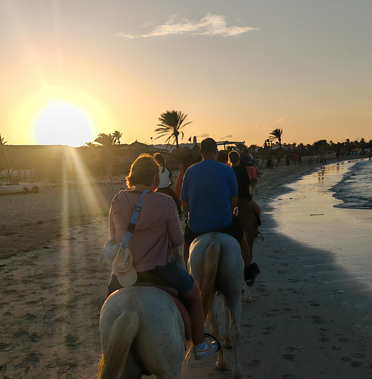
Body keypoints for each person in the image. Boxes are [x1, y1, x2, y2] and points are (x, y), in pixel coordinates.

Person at [107, 154, 219, 359]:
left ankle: (108, 348)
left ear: (132, 177)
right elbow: (177, 240)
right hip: (161, 269)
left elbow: (113, 238)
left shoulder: (118, 199)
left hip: (127, 272)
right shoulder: (166, 202)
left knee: (109, 303)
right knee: (194, 295)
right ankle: (201, 344)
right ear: (155, 179)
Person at [180, 138, 259, 286]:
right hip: (224, 223)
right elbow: (234, 202)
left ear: (200, 151)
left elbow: (185, 205)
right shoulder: (227, 170)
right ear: (216, 151)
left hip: (197, 225)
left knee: (186, 243)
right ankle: (248, 270)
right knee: (242, 239)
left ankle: (188, 273)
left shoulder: (190, 171)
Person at [227, 150, 262, 227]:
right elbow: (247, 182)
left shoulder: (228, 170)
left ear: (229, 160)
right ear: (238, 159)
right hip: (245, 196)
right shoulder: (243, 169)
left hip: (231, 198)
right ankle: (256, 231)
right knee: (258, 211)